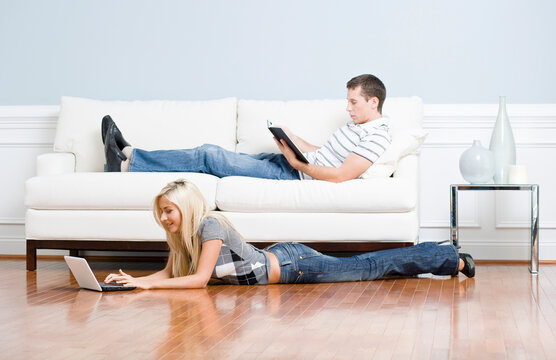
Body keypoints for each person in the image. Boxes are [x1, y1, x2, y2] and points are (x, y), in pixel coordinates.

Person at [104, 179, 475, 289]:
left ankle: (448, 258)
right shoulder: (183, 238)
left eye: (168, 211)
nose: (165, 218)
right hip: (282, 259)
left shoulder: (209, 225)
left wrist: (148, 288)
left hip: (295, 265)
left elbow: (199, 280)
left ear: (186, 207)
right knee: (367, 267)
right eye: (162, 213)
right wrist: (132, 281)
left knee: (368, 267)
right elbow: (170, 275)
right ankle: (441, 254)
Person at [102, 74, 392, 182]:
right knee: (213, 157)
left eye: (354, 102)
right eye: (348, 101)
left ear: (373, 101)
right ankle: (128, 153)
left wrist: (295, 164)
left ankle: (128, 162)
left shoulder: (377, 134)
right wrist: (294, 140)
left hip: (295, 176)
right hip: (293, 165)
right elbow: (325, 154)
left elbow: (342, 175)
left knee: (208, 156)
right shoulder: (356, 125)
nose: (348, 108)